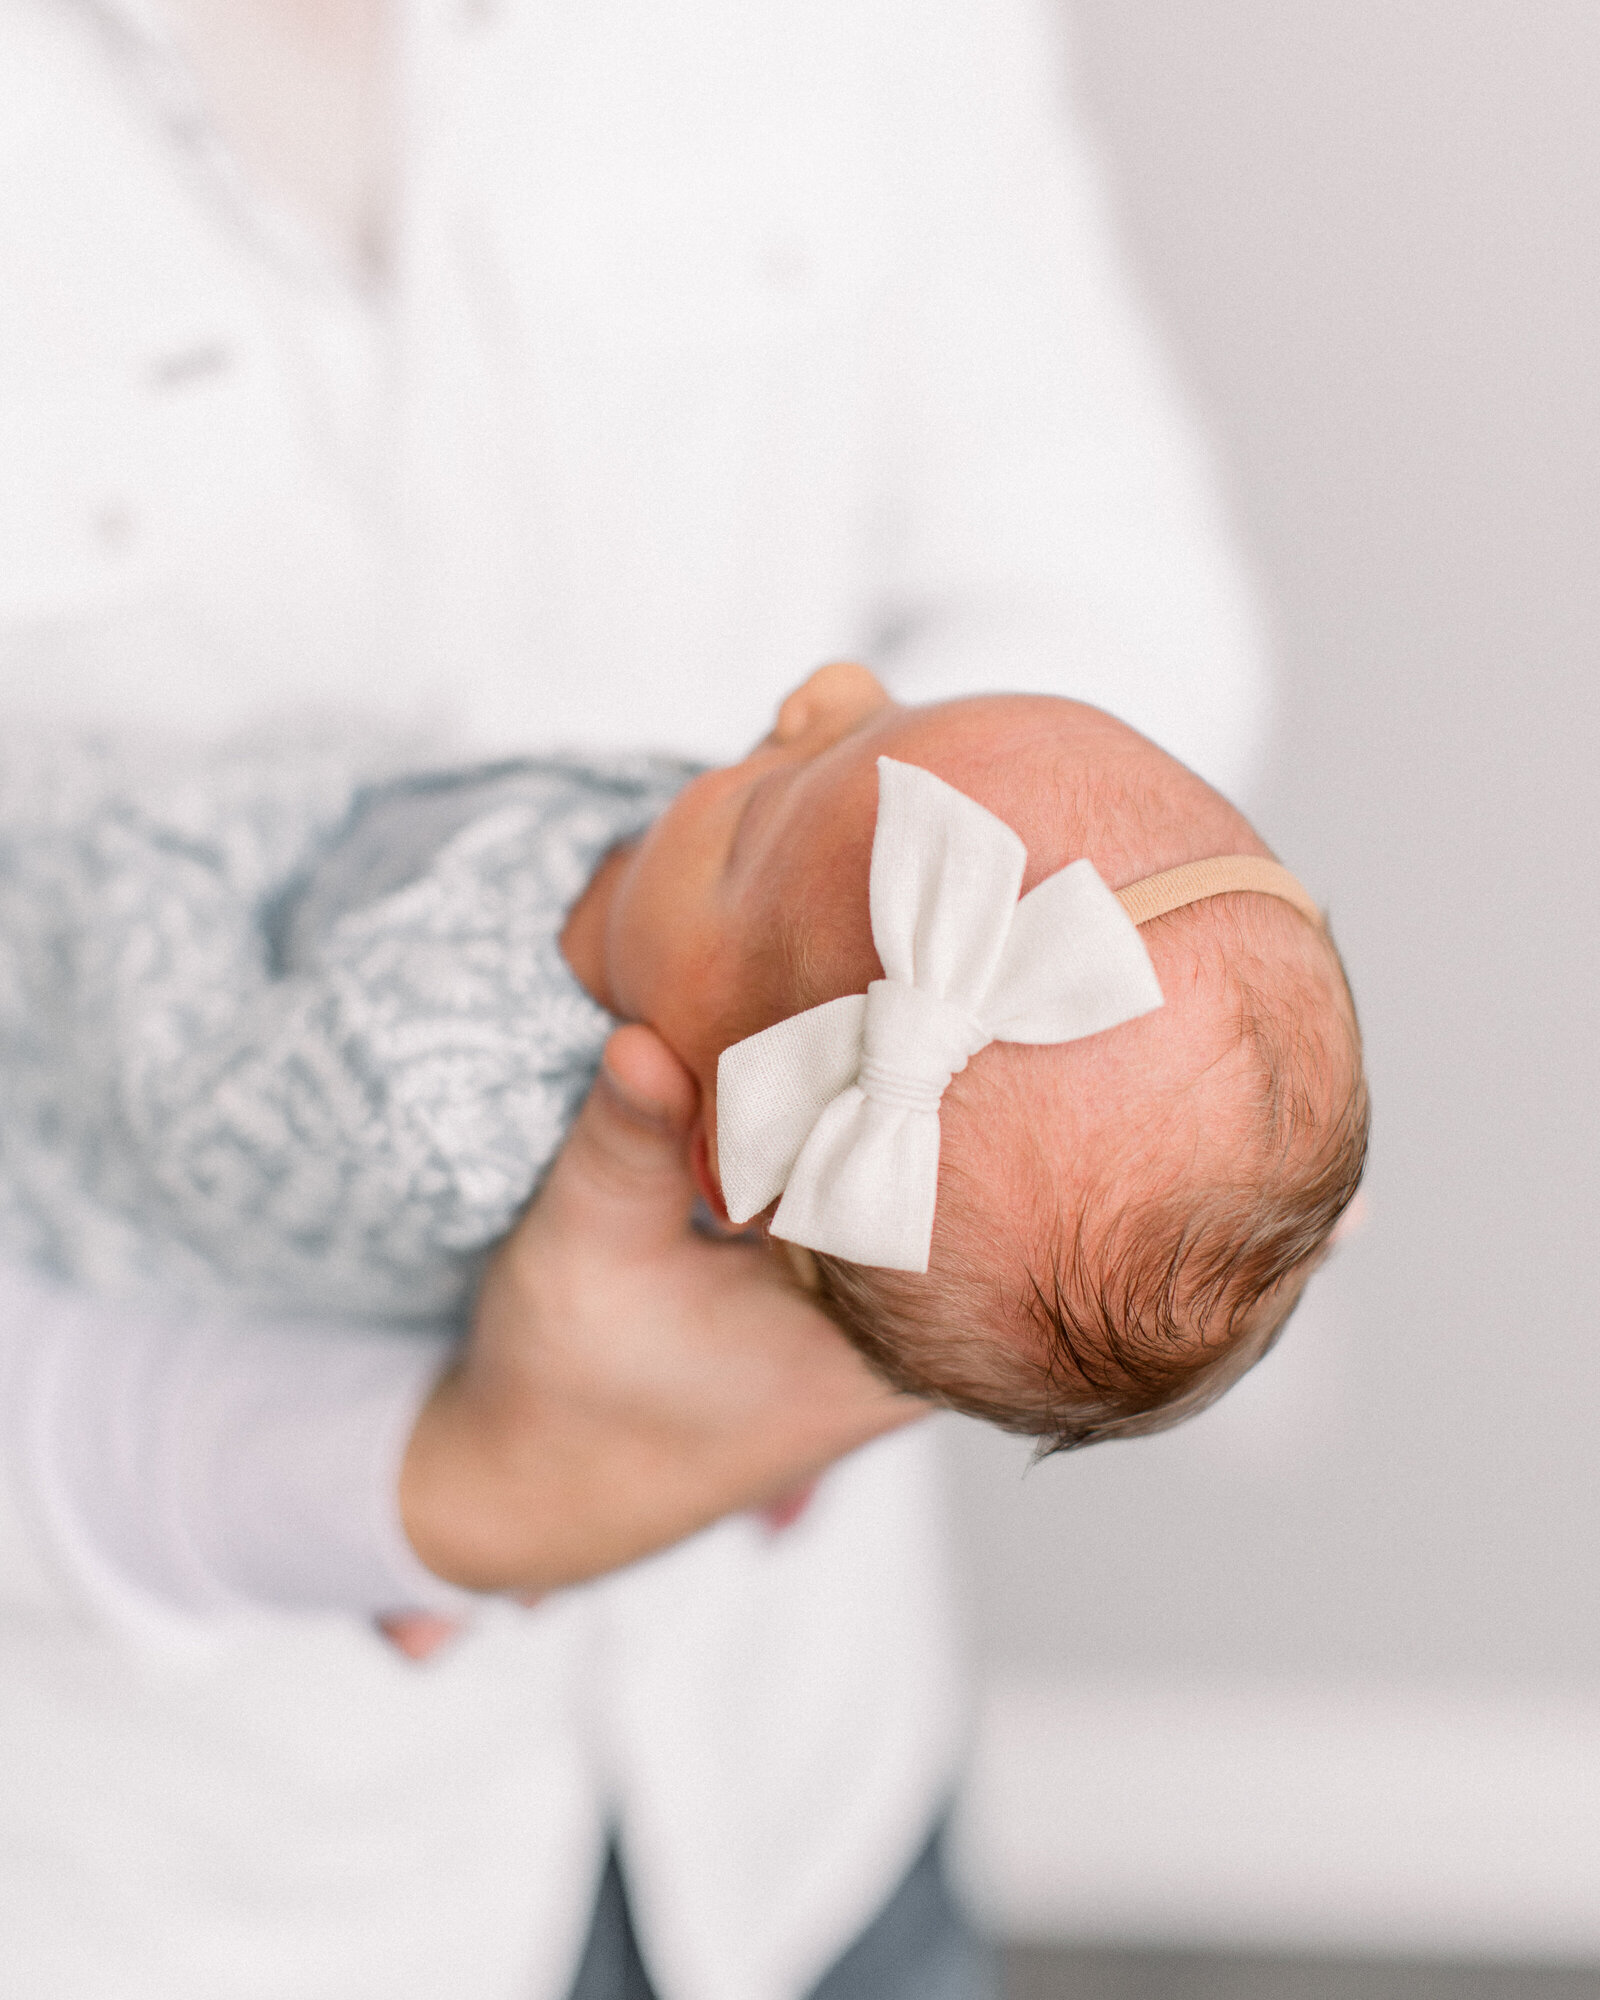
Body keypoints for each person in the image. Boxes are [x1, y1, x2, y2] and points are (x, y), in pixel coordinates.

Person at [0, 2, 1271, 1994]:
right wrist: (378, 1475)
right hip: (196, 1878)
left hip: (796, 1791)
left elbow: (1102, 585)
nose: (812, 703)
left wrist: (928, 1222)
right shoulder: (422, 1061)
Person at [0, 671, 1365, 1471]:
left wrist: (160, 819)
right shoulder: (704, 917)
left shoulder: (416, 1096)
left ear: (725, 1141)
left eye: (778, 786)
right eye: (869, 725)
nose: (817, 693)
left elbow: (163, 1075)